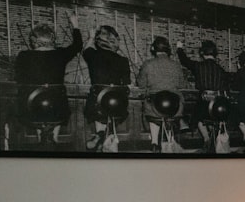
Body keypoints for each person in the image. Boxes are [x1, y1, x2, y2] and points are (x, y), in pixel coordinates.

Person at [12, 12, 82, 146]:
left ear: (33, 40)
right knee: (54, 108)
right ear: (52, 39)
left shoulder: (23, 56)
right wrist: (75, 25)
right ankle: (53, 139)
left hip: (31, 107)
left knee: (36, 107)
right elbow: (77, 46)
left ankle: (42, 139)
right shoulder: (60, 54)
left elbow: (19, 78)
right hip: (56, 107)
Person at [82, 24, 131, 152]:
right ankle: (105, 137)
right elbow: (127, 83)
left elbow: (86, 50)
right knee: (111, 106)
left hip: (96, 104)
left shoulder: (93, 55)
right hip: (117, 105)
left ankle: (100, 134)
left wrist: (91, 37)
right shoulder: (123, 60)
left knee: (100, 102)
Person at [176, 39, 231, 152]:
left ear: (202, 53)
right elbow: (226, 86)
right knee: (215, 118)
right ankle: (216, 139)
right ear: (214, 54)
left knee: (198, 118)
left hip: (204, 103)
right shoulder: (220, 69)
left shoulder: (198, 66)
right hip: (218, 105)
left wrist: (179, 48)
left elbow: (184, 61)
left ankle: (206, 139)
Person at [135, 36, 186, 152]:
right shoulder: (176, 65)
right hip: (174, 106)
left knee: (153, 114)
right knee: (171, 112)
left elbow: (141, 85)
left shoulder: (148, 64)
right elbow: (181, 84)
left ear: (153, 49)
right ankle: (171, 140)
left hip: (154, 106)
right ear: (167, 50)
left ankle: (154, 143)